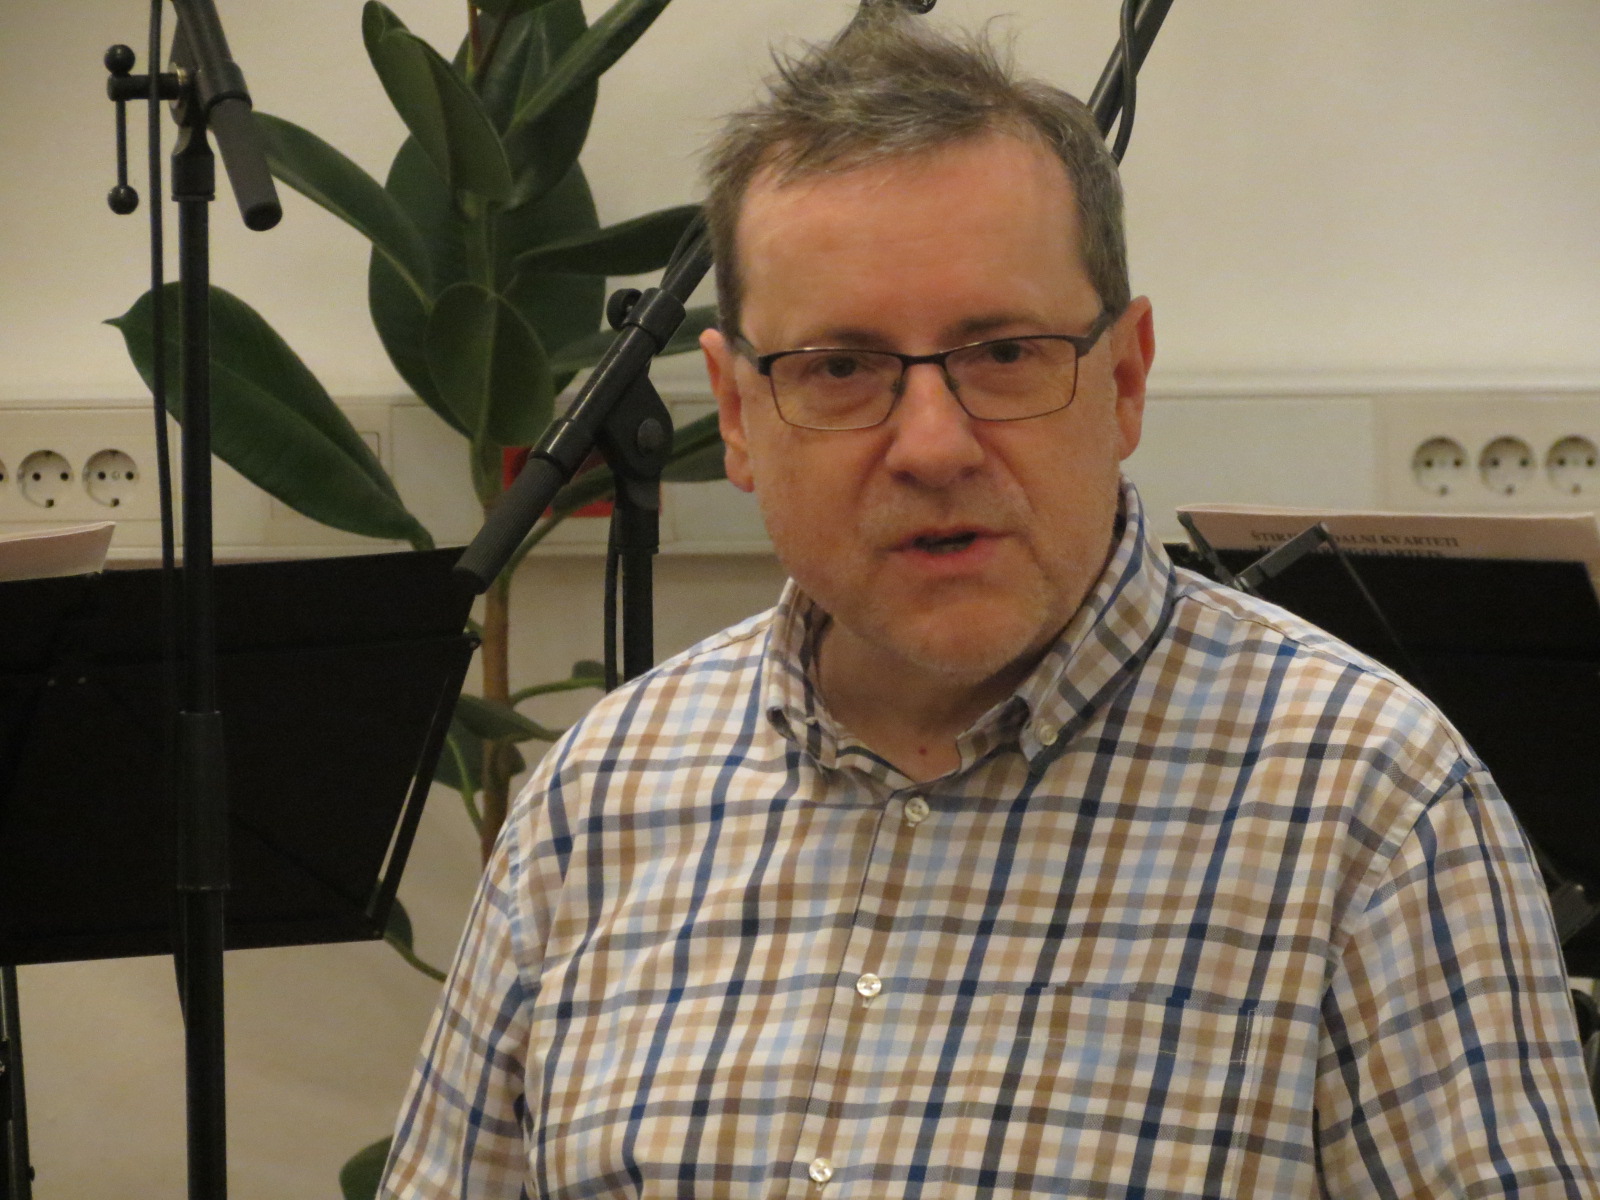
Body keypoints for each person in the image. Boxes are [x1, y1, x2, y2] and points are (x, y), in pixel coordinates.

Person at [379, 10, 1600, 1198]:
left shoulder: (1370, 805)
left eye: (1004, 353)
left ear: (1124, 379)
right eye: (841, 367)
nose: (932, 445)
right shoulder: (598, 799)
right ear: (738, 414)